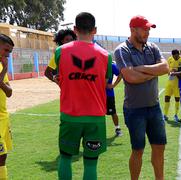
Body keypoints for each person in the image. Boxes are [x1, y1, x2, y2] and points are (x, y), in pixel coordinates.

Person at [53, 12, 112, 180]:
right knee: (91, 163)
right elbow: (107, 82)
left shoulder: (60, 52)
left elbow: (61, 75)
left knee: (65, 157)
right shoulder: (105, 55)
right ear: (95, 30)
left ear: (75, 29)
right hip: (95, 118)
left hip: (70, 116)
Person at [114, 15, 169, 180]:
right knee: (138, 150)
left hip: (154, 107)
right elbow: (130, 77)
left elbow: (165, 67)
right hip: (134, 110)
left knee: (159, 147)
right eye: (144, 29)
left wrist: (142, 68)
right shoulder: (122, 50)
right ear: (132, 30)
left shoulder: (152, 47)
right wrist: (152, 72)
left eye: (148, 30)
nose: (147, 33)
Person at [0, 34, 14, 180]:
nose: (8, 55)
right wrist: (4, 69)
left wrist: (3, 70)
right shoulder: (3, 67)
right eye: (6, 50)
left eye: (9, 52)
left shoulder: (1, 65)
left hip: (4, 118)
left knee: (3, 157)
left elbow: (9, 92)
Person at [163, 49, 181, 122]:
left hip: (177, 83)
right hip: (170, 81)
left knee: (177, 99)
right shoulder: (170, 59)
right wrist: (169, 70)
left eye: (176, 56)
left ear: (179, 54)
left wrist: (176, 71)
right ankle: (165, 115)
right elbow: (167, 68)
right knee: (166, 97)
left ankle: (176, 115)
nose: (175, 58)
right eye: (173, 56)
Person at [106, 61, 123, 137]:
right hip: (96, 94)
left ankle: (117, 128)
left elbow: (120, 74)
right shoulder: (94, 63)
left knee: (113, 112)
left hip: (108, 94)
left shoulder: (111, 65)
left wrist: (113, 85)